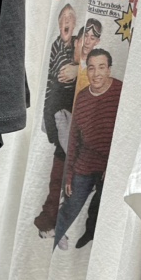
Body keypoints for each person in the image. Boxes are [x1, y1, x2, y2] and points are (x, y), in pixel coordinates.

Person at [53, 48, 123, 251]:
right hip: (86, 161)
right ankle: (57, 240)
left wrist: (113, 165)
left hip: (112, 163)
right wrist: (69, 175)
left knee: (102, 206)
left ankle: (90, 233)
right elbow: (74, 139)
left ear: (109, 70)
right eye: (91, 68)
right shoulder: (83, 98)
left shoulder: (121, 91)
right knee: (71, 205)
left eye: (101, 67)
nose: (96, 73)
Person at [34, 3, 77, 238]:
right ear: (60, 23)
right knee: (59, 170)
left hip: (71, 112)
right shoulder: (56, 46)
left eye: (71, 18)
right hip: (58, 113)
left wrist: (77, 69)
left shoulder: (78, 44)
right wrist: (47, 117)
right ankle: (50, 220)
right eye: (64, 18)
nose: (67, 21)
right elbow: (51, 80)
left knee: (67, 169)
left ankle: (54, 221)